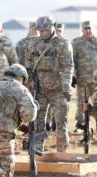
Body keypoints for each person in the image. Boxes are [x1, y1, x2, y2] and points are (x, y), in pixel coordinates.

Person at [25, 16, 73, 152]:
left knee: (61, 121)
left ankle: (62, 150)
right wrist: (30, 80)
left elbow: (68, 67)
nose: (44, 33)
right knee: (38, 120)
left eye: (46, 30)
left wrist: (66, 87)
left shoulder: (63, 44)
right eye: (41, 31)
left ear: (53, 27)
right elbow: (28, 64)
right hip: (39, 89)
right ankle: (38, 148)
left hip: (58, 89)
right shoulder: (33, 43)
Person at [72, 21, 97, 131]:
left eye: (89, 28)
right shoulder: (76, 43)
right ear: (82, 30)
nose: (88, 31)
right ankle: (80, 124)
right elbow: (72, 61)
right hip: (83, 79)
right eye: (85, 29)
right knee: (82, 102)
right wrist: (73, 75)